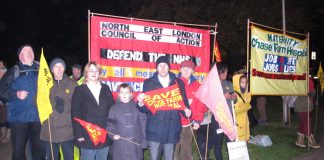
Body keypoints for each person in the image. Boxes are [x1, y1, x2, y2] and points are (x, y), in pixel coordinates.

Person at [136, 56, 191, 160]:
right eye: (160, 66)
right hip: (154, 129)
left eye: (165, 65)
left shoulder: (178, 83)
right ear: (156, 68)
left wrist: (187, 111)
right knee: (154, 157)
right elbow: (145, 109)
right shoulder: (148, 83)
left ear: (169, 67)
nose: (162, 68)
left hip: (172, 129)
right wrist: (141, 103)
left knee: (169, 158)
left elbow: (184, 103)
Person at [0, 44, 46, 160]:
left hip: (37, 118)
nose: (30, 53)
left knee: (39, 150)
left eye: (31, 51)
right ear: (20, 56)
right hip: (19, 119)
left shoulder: (41, 71)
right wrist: (16, 94)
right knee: (19, 151)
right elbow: (1, 92)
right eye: (26, 51)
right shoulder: (13, 71)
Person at [71, 61, 115, 160]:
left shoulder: (105, 88)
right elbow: (75, 113)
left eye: (96, 71)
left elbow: (112, 109)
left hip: (104, 133)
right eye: (91, 70)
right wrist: (79, 134)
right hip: (87, 134)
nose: (94, 73)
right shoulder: (79, 90)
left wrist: (113, 129)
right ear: (86, 73)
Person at [40, 58, 78, 160]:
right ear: (52, 69)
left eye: (61, 66)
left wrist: (64, 107)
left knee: (69, 156)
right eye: (56, 66)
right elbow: (38, 101)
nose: (59, 69)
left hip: (67, 129)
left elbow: (77, 103)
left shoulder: (72, 83)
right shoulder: (45, 84)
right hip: (50, 128)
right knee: (52, 157)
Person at [174, 60, 207, 160]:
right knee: (174, 149)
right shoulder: (174, 82)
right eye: (183, 68)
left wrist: (197, 120)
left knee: (187, 149)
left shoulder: (197, 85)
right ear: (180, 69)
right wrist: (183, 103)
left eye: (189, 68)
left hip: (189, 123)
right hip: (175, 122)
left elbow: (201, 105)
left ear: (193, 71)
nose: (186, 70)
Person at [107, 83, 147, 160]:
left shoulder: (137, 107)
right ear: (118, 94)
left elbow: (143, 124)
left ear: (131, 94)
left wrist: (144, 140)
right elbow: (110, 125)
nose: (124, 94)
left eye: (127, 92)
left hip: (136, 142)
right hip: (120, 144)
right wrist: (113, 135)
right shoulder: (113, 109)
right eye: (122, 92)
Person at [209, 62, 236, 160]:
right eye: (223, 72)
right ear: (217, 72)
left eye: (226, 72)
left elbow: (234, 100)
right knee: (218, 143)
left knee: (230, 141)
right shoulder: (212, 84)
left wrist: (234, 97)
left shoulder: (228, 83)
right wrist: (224, 96)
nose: (225, 74)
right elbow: (211, 100)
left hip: (229, 117)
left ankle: (231, 157)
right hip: (217, 118)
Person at [294, 78, 320, 148]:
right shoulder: (297, 78)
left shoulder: (308, 79)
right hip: (300, 104)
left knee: (303, 122)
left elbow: (312, 91)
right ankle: (310, 139)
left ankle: (299, 140)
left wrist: (310, 94)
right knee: (306, 121)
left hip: (308, 104)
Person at [232, 73, 251, 141]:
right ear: (237, 83)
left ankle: (243, 148)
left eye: (245, 82)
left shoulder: (244, 92)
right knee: (239, 136)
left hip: (244, 119)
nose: (244, 84)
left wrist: (248, 96)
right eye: (242, 82)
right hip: (238, 120)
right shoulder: (234, 94)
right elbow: (235, 110)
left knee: (244, 135)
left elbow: (246, 102)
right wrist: (247, 106)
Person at [0, 59, 10, 143]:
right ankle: (3, 134)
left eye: (2, 66)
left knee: (7, 117)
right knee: (1, 118)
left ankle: (8, 135)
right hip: (1, 100)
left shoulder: (7, 75)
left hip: (7, 100)